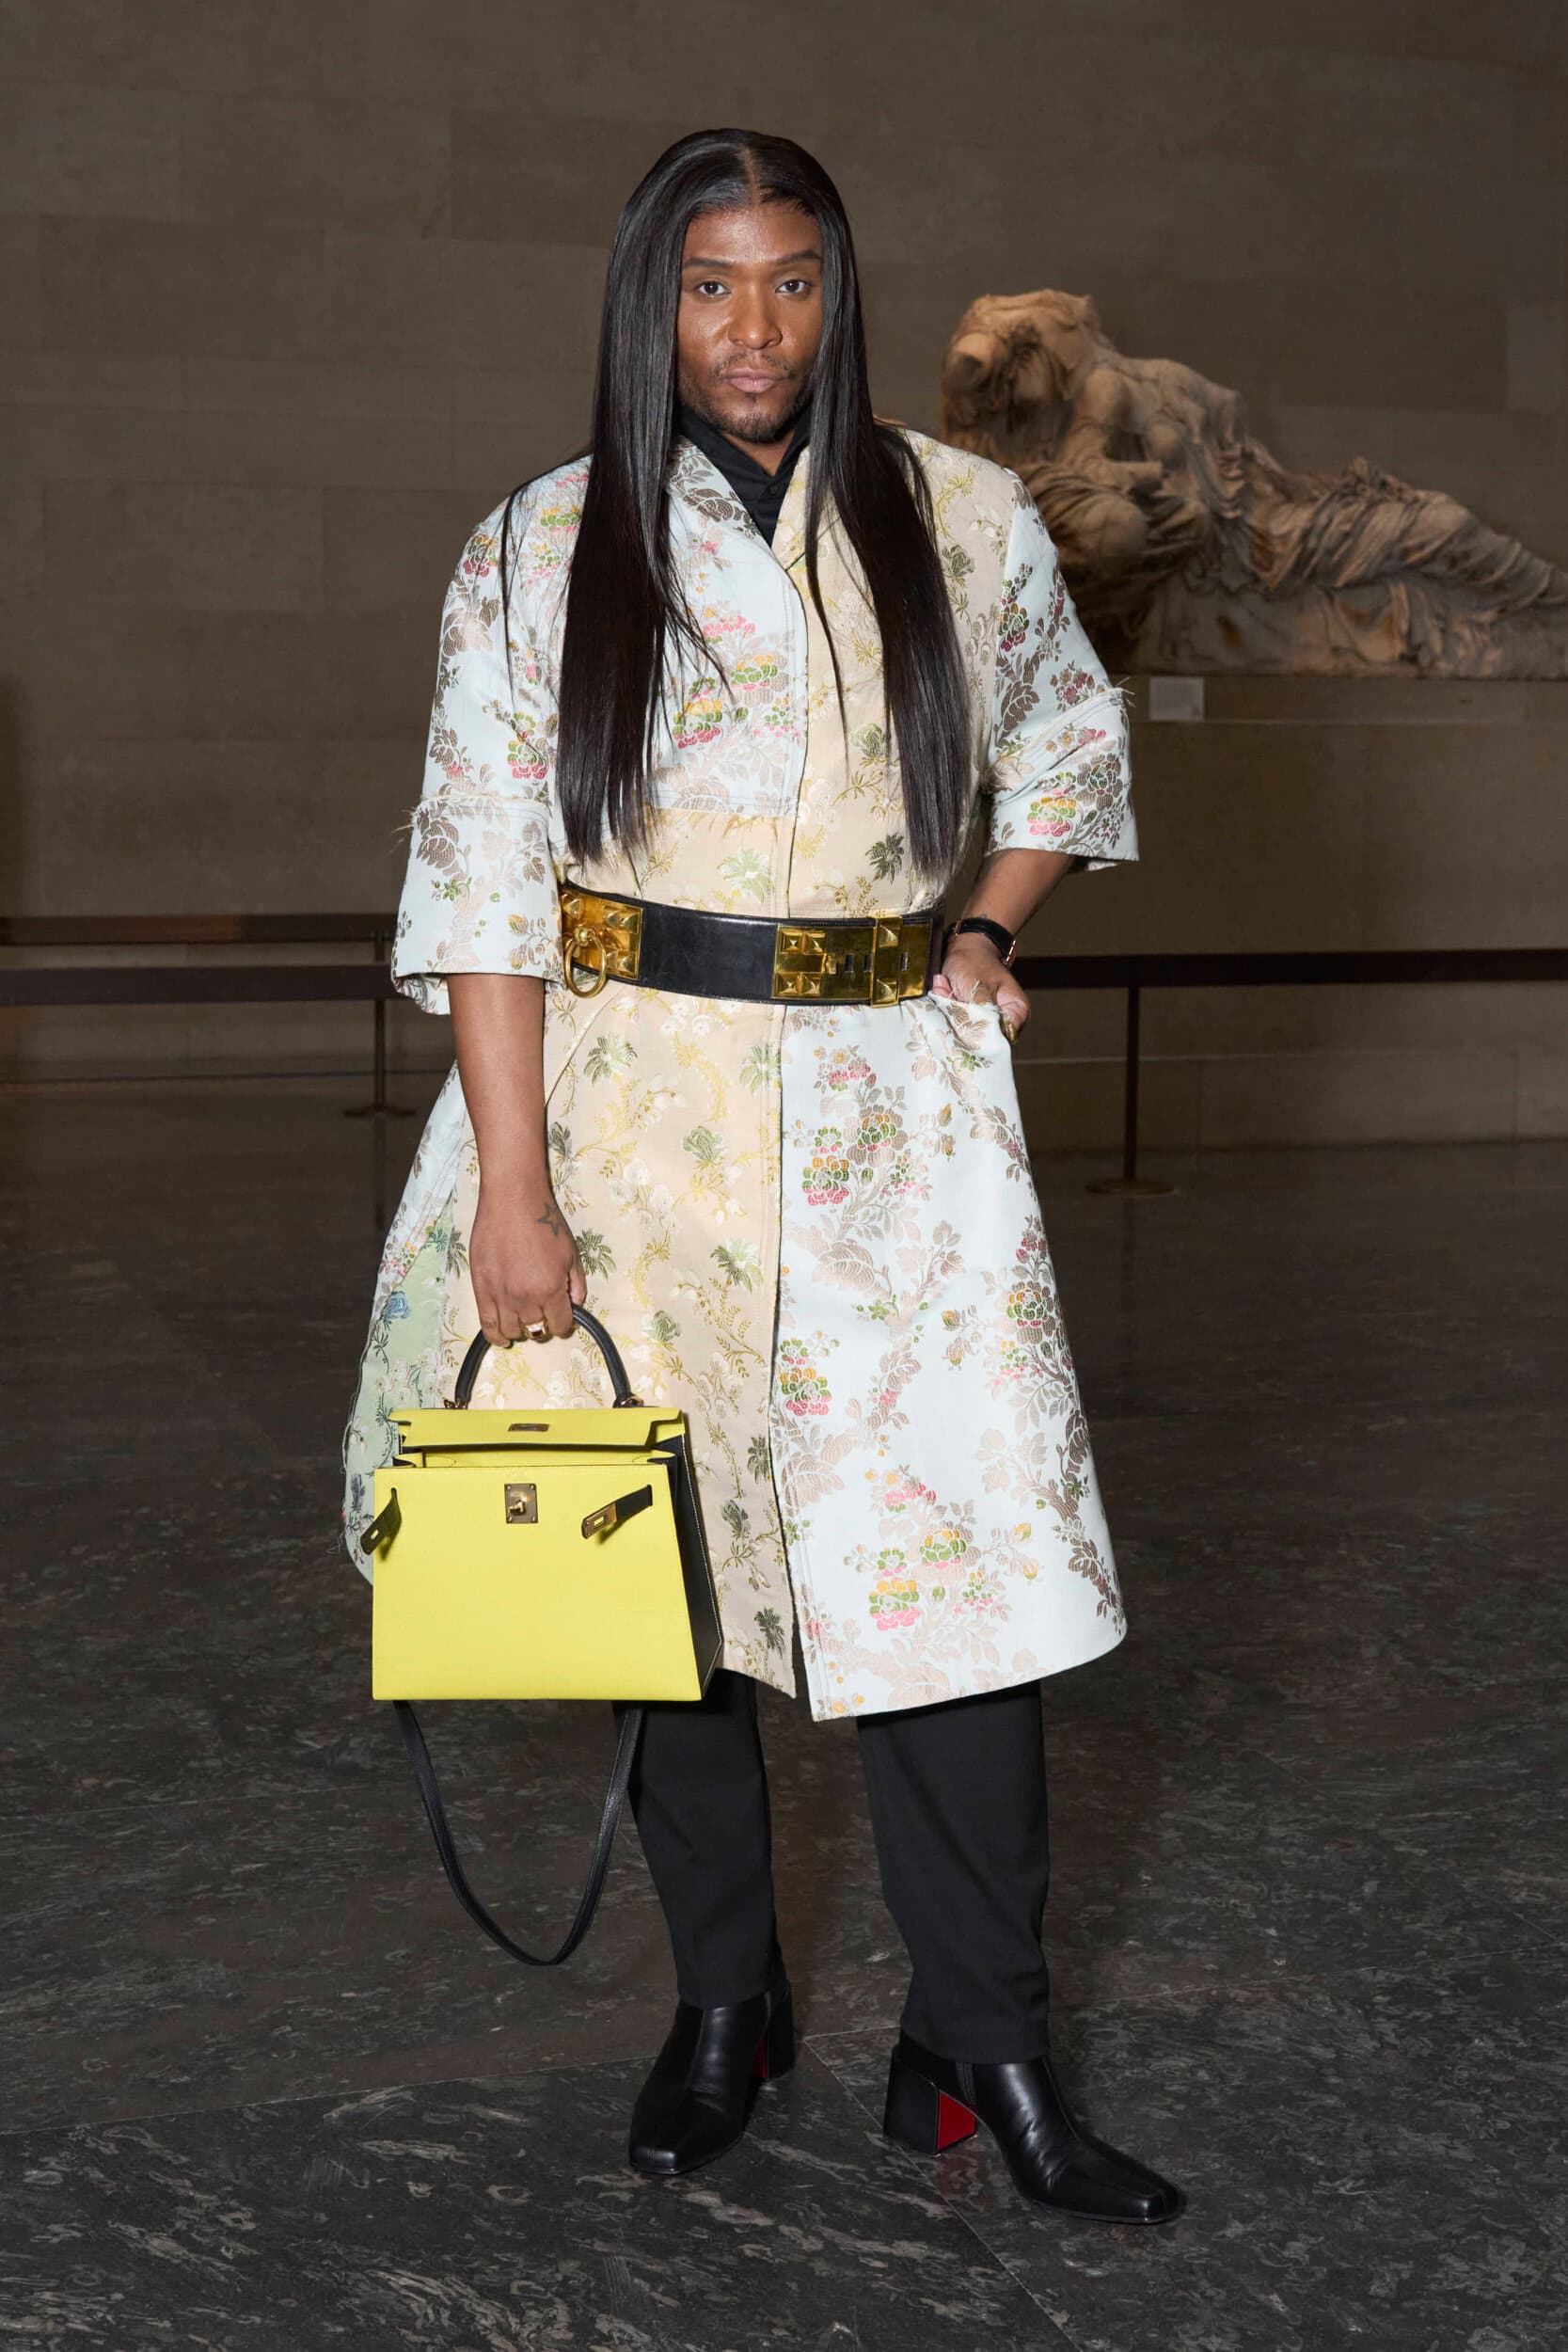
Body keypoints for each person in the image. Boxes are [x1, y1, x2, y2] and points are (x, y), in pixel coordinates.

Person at [343, 128, 1180, 2226]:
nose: (753, 327)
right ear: (653, 299)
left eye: (793, 280)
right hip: (623, 1116)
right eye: (710, 284)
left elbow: (1070, 745)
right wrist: (514, 1191)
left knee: (960, 1589)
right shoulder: (541, 547)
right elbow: (482, 882)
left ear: (839, 289)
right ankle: (729, 2000)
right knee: (669, 1589)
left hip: (895, 1121)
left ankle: (983, 2040)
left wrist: (983, 923)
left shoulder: (960, 516)